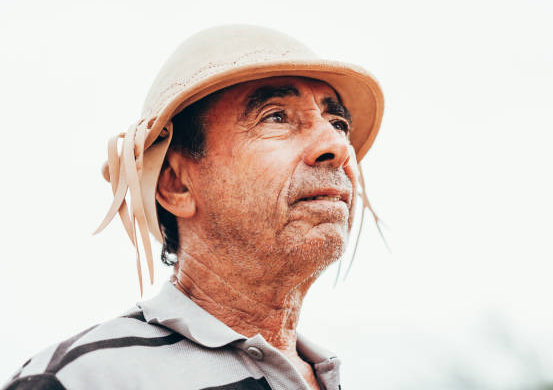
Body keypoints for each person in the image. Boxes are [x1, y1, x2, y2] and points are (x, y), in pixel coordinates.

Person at [3, 25, 384, 390]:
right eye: (276, 116)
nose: (335, 146)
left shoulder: (330, 373)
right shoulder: (80, 380)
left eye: (337, 122)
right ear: (176, 184)